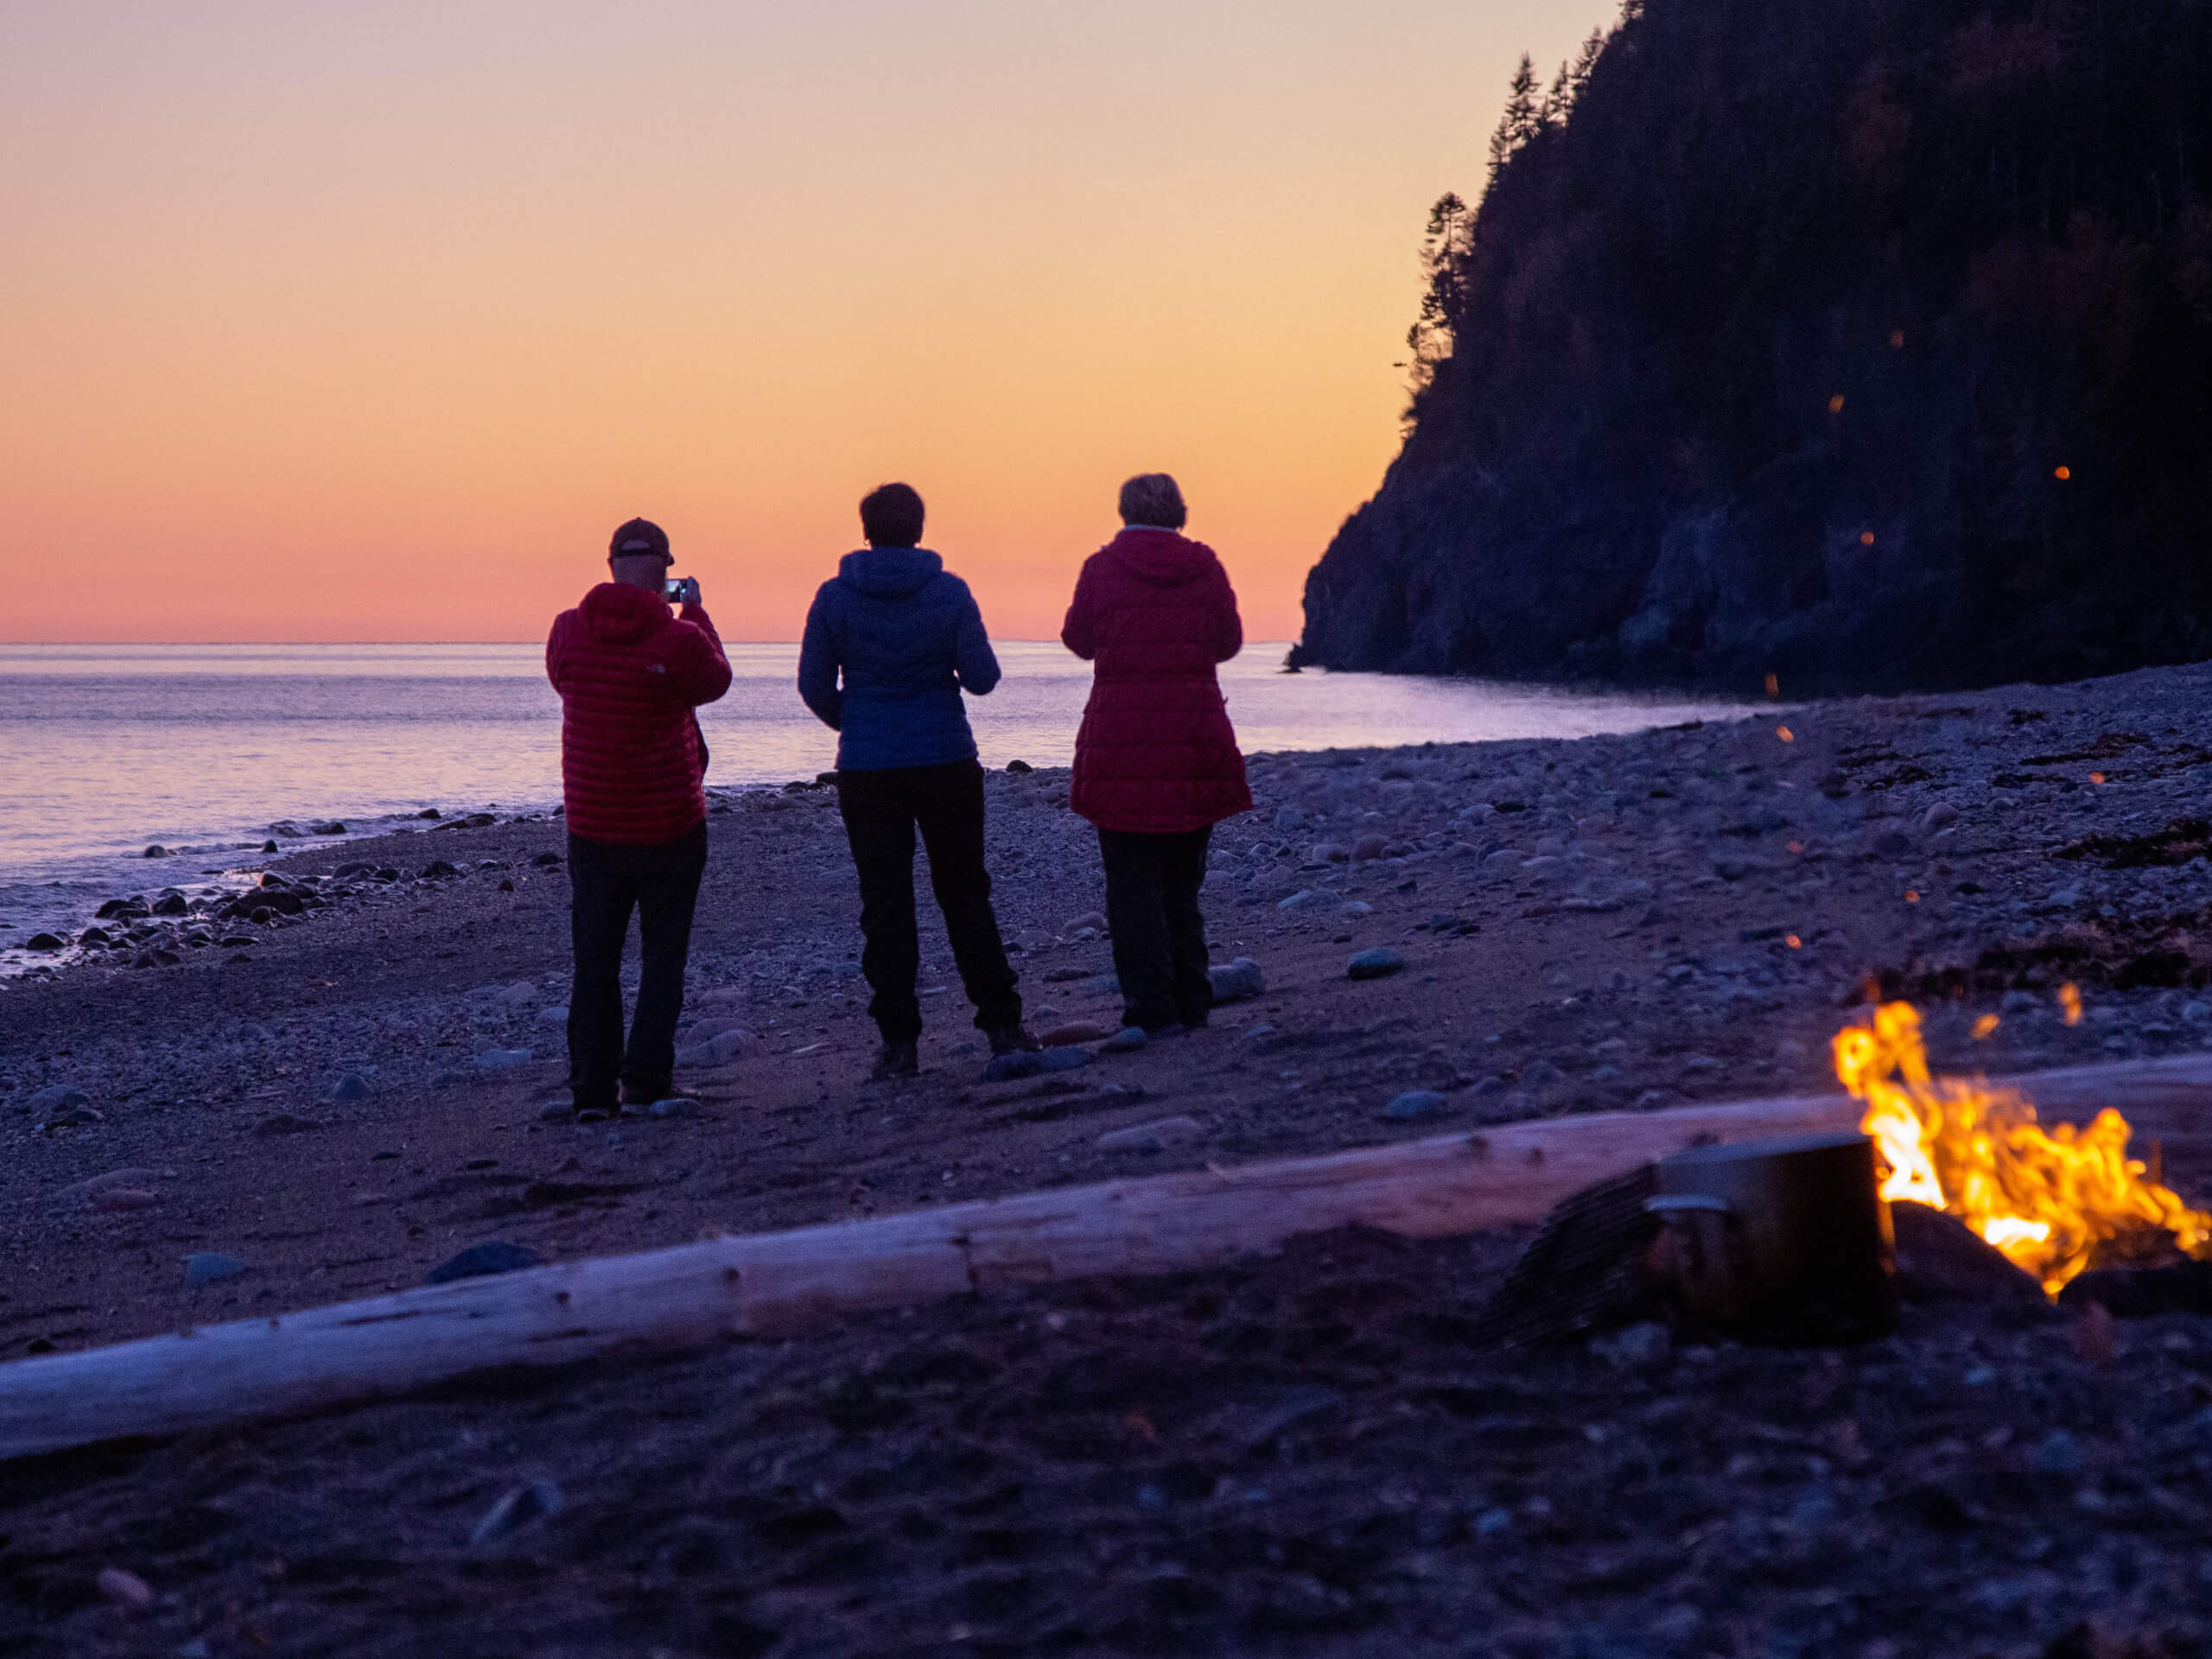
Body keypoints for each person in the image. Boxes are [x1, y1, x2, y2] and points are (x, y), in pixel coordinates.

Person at [799, 483, 1034, 1079]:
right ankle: (1002, 1026)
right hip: (945, 758)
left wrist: (854, 720)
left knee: (885, 905)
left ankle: (899, 1044)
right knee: (965, 894)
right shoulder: (950, 593)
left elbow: (814, 685)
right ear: (920, 529)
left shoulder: (834, 597)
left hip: (868, 767)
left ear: (866, 531)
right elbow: (982, 679)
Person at [545, 518, 732, 1120]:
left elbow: (563, 680)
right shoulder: (677, 639)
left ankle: (592, 1092)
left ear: (610, 566)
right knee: (662, 957)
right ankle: (646, 1081)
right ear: (665, 570)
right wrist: (696, 613)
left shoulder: (569, 632)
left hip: (595, 825)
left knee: (595, 961)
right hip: (669, 823)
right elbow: (715, 681)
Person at [1062, 473, 1252, 1035]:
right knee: (1181, 883)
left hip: (1121, 742)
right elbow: (1229, 643)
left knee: (1130, 884)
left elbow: (1077, 639)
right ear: (1179, 511)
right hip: (1192, 736)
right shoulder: (1205, 566)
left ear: (1123, 512)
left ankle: (1150, 1007)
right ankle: (1193, 999)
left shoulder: (1101, 568)